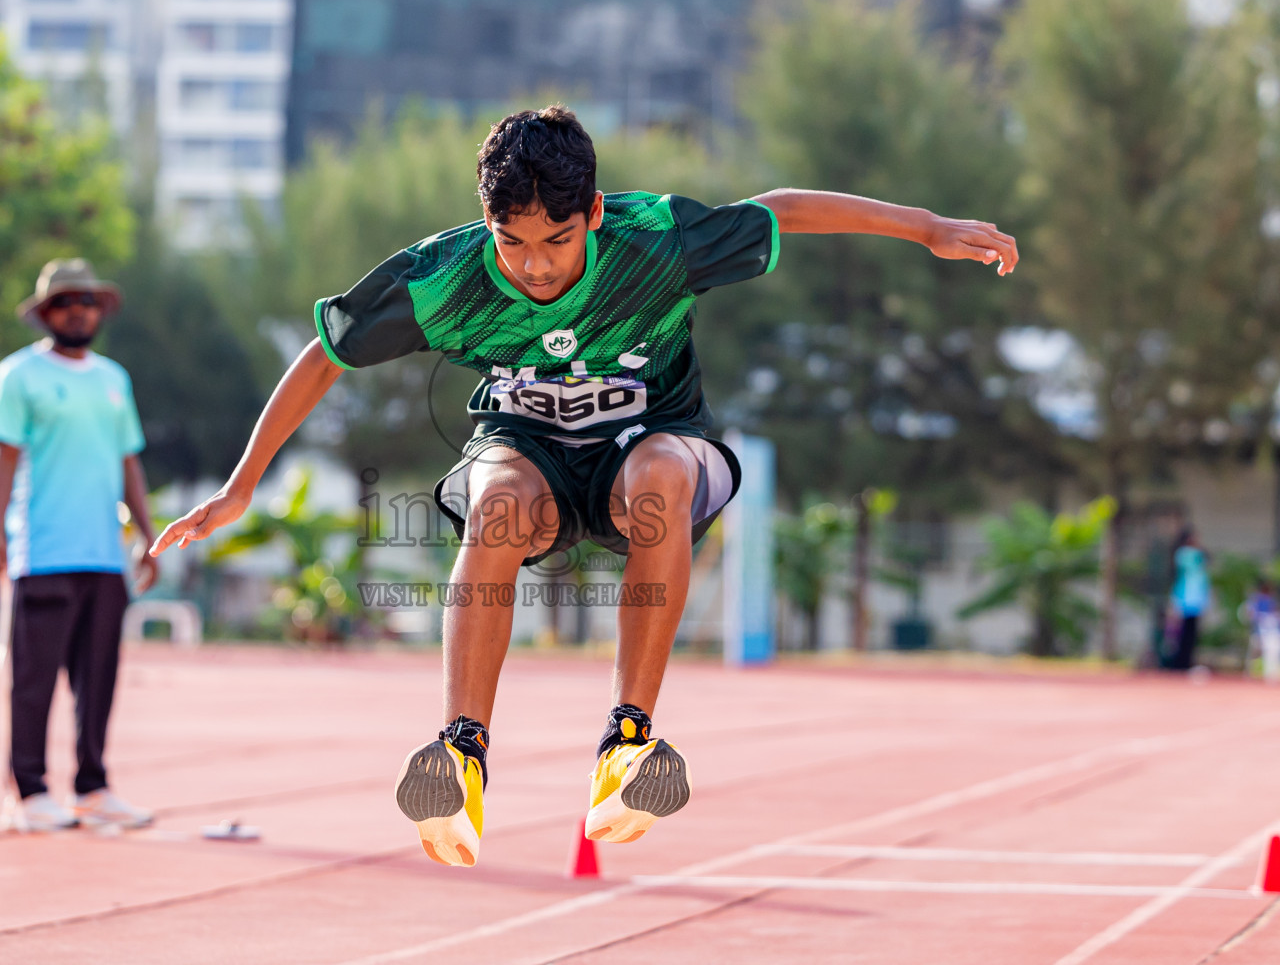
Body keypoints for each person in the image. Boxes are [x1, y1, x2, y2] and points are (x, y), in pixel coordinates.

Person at [150, 105, 1019, 867]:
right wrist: (240, 487)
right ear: (484, 223)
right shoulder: (442, 277)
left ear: (594, 215)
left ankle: (629, 742)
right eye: (513, 242)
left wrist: (927, 226)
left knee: (660, 478)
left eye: (558, 242)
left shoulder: (655, 241)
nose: (534, 266)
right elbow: (324, 356)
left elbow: (782, 210)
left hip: (650, 440)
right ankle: (460, 752)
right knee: (492, 507)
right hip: (527, 451)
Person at [0, 258, 159, 833]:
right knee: (34, 678)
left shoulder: (114, 380)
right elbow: (2, 460)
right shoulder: (18, 376)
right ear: (45, 314)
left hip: (105, 553)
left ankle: (92, 786)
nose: (77, 310)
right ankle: (28, 792)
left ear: (100, 311)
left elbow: (127, 460)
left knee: (98, 677)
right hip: (42, 551)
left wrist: (149, 536)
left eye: (87, 301)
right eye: (65, 302)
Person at [1166, 526, 1208, 672]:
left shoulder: (1192, 555)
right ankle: (1180, 664)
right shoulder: (1186, 554)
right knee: (1183, 633)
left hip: (1195, 600)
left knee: (1191, 633)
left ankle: (1186, 662)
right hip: (1186, 599)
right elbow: (1200, 560)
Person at [1242, 578, 1280, 684]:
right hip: (1258, 632)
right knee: (1257, 650)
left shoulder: (1271, 601)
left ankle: (1271, 673)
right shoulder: (1255, 600)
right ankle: (1252, 673)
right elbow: (1249, 615)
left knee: (1273, 648)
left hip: (1271, 633)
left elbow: (1275, 617)